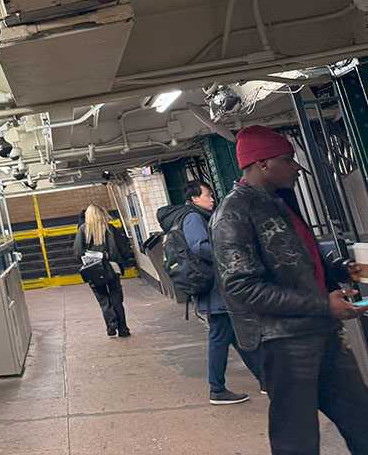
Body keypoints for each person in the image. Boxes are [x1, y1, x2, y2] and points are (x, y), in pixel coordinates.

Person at [211, 125, 368, 455]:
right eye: (289, 159)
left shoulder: (278, 201)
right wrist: (322, 304)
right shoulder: (233, 214)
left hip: (321, 332)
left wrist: (339, 268)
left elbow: (298, 254)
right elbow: (242, 288)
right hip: (283, 342)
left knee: (361, 417)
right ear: (262, 163)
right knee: (296, 437)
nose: (297, 167)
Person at [158, 180, 263, 405]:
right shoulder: (193, 217)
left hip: (210, 286)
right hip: (214, 287)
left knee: (233, 334)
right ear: (194, 199)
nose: (212, 199)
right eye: (207, 195)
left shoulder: (188, 216)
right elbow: (200, 246)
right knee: (220, 335)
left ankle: (264, 379)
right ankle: (217, 389)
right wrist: (229, 251)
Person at [72, 204, 132, 337]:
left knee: (103, 299)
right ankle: (123, 329)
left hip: (94, 269)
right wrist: (124, 260)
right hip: (112, 267)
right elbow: (123, 248)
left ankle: (111, 325)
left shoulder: (83, 230)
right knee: (116, 298)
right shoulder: (109, 228)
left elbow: (77, 251)